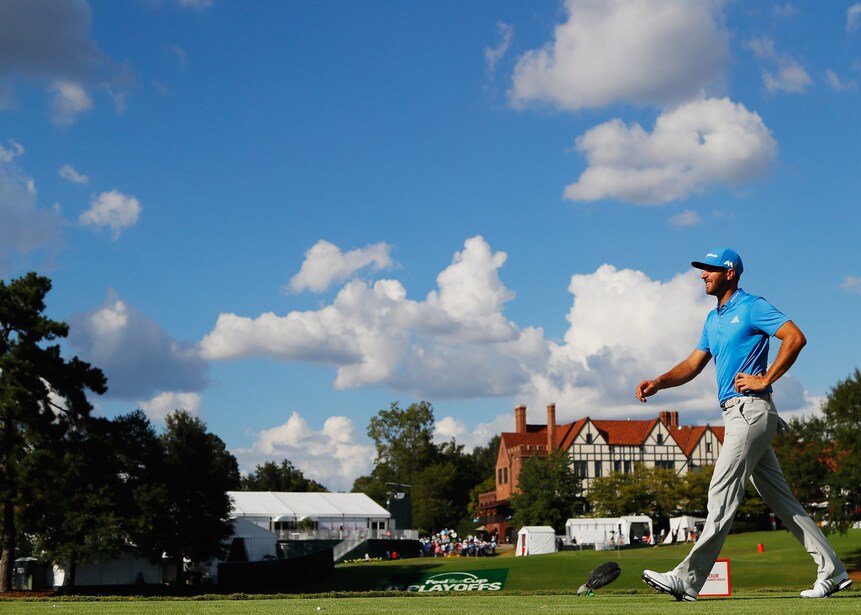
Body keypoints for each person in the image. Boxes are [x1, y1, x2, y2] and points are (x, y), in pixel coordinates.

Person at [636, 248, 851, 602]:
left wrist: (765, 378)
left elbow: (795, 337)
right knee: (782, 501)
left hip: (751, 411)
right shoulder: (712, 319)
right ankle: (832, 569)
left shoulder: (752, 306)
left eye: (709, 269)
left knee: (721, 491)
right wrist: (659, 382)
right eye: (702, 270)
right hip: (737, 415)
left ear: (730, 273)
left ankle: (687, 580)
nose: (702, 275)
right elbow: (693, 364)